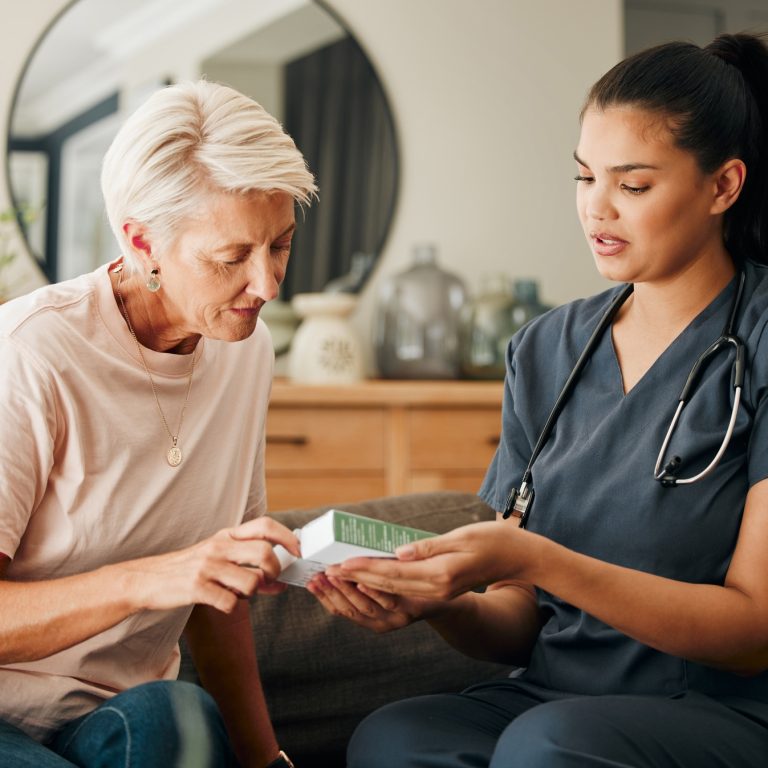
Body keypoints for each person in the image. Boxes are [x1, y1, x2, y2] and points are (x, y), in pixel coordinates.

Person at [308, 31, 768, 767]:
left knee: (548, 746)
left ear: (723, 186)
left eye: (634, 184)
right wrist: (441, 603)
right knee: (395, 738)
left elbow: (753, 632)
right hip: (555, 697)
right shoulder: (546, 350)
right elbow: (518, 623)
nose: (597, 209)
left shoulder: (761, 337)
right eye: (585, 178)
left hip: (716, 707)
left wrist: (545, 560)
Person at [0, 79, 316, 767]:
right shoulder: (31, 353)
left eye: (281, 246)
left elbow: (216, 588)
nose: (266, 285)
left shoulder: (245, 348)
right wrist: (150, 578)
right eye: (231, 258)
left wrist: (266, 759)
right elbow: (179, 575)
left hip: (120, 717)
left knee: (179, 717)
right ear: (143, 241)